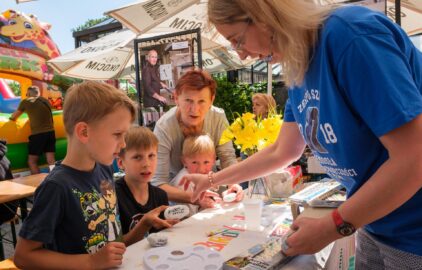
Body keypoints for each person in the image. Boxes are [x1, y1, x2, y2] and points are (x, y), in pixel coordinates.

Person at [182, 1, 422, 269]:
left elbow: (414, 157)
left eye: (238, 41)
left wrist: (332, 226)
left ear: (264, 14)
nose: (242, 56)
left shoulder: (350, 36)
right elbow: (282, 151)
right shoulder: (300, 63)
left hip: (414, 231)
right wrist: (212, 179)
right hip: (375, 221)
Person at [14, 81, 139, 269]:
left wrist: (143, 225)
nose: (123, 144)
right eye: (117, 134)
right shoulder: (56, 187)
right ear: (84, 131)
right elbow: (23, 256)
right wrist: (90, 262)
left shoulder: (104, 168)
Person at [152, 70, 243, 210]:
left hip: (210, 193)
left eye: (201, 101)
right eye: (188, 100)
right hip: (178, 200)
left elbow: (227, 157)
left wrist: (233, 184)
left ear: (211, 100)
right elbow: (157, 183)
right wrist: (195, 197)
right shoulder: (163, 127)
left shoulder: (218, 117)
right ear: (176, 98)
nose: (194, 109)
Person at [116, 126, 178, 245]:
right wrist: (144, 224)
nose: (146, 164)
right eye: (137, 157)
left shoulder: (161, 195)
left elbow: (164, 236)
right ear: (121, 162)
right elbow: (116, 246)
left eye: (151, 156)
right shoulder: (113, 197)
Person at [170, 134, 243, 216]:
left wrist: (228, 191)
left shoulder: (208, 175)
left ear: (213, 160)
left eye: (206, 162)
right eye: (194, 162)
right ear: (184, 161)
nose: (201, 169)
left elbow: (215, 190)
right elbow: (187, 216)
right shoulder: (183, 183)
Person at [9, 85, 55, 174]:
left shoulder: (26, 101)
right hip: (51, 132)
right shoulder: (45, 101)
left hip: (38, 134)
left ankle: (37, 183)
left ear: (29, 93)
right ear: (38, 93)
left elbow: (14, 117)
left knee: (32, 161)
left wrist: (11, 118)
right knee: (51, 160)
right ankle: (55, 178)